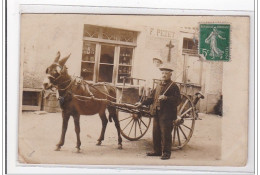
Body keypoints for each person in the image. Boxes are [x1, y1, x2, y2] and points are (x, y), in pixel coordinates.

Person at [136, 64, 181, 160]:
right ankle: (157, 151)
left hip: (167, 114)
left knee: (165, 134)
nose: (164, 75)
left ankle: (166, 153)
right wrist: (142, 103)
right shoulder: (158, 85)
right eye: (162, 73)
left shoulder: (173, 86)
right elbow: (151, 98)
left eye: (166, 73)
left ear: (170, 75)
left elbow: (178, 100)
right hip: (156, 112)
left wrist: (167, 98)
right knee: (155, 132)